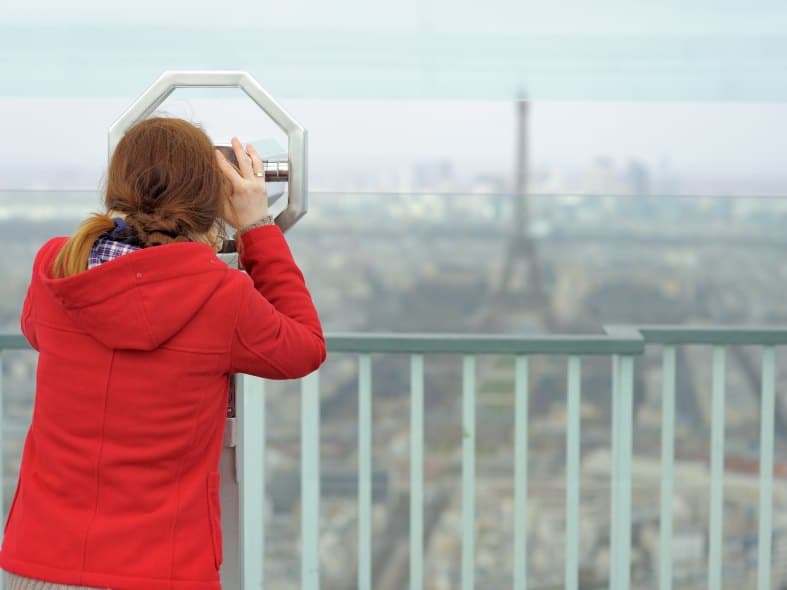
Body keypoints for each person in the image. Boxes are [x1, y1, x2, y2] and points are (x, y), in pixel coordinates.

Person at [0, 117, 326, 589]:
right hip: (159, 570)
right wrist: (257, 227)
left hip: (37, 562)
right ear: (210, 195)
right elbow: (305, 348)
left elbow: (37, 330)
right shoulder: (219, 297)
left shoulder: (57, 268)